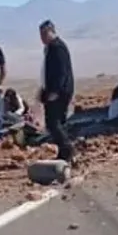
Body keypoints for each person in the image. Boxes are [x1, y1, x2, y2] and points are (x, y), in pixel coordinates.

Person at [38, 20, 75, 163]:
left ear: (52, 31)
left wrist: (56, 91)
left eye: (44, 33)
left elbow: (62, 72)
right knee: (54, 123)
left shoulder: (58, 47)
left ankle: (67, 149)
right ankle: (64, 151)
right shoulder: (50, 48)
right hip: (52, 91)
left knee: (53, 122)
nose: (42, 37)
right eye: (40, 34)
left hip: (59, 92)